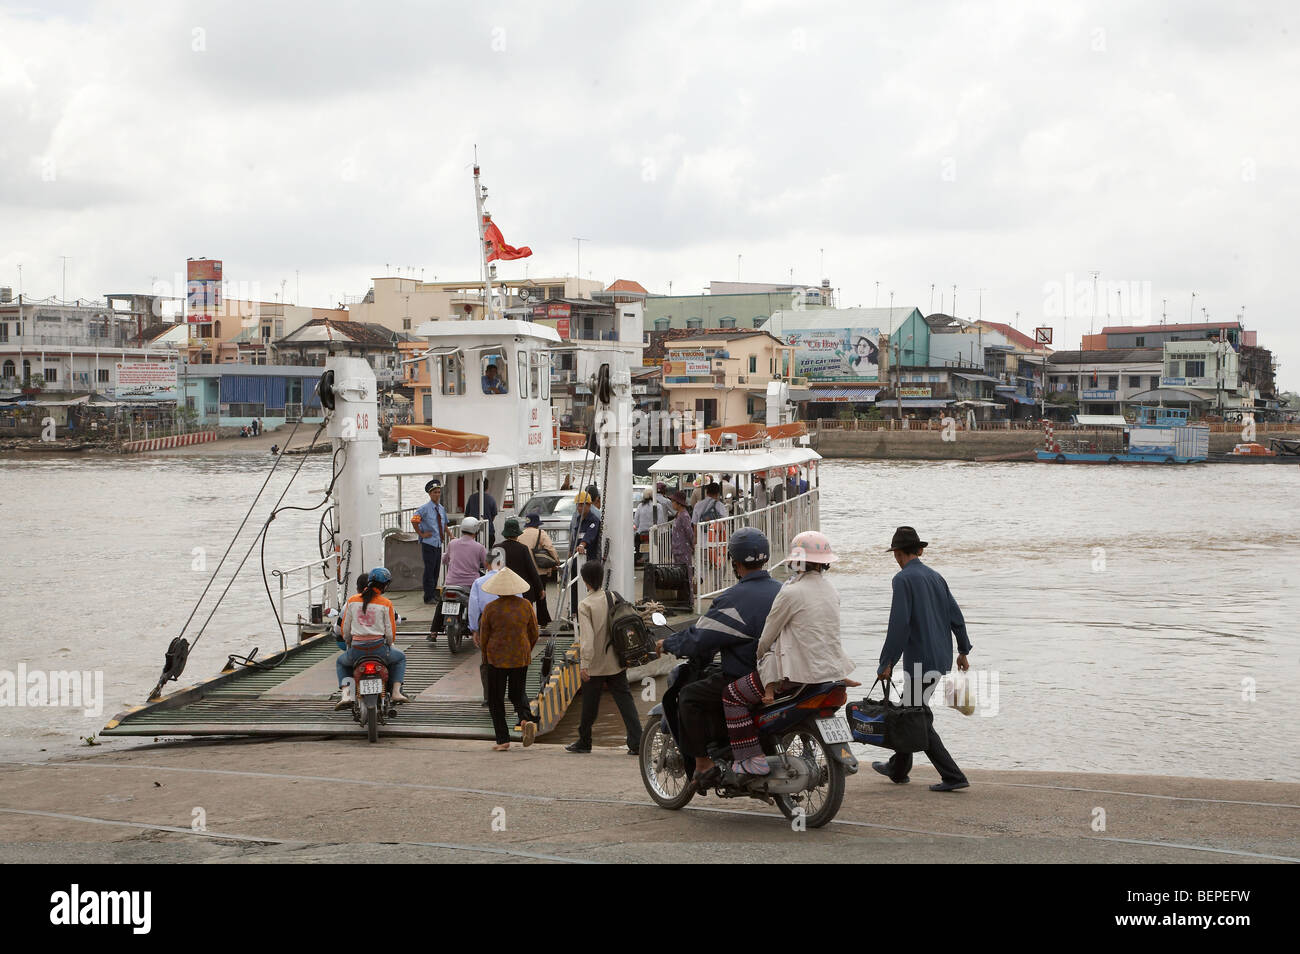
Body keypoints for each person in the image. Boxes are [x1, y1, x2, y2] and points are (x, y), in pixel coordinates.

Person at [721, 531, 857, 775]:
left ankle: (749, 759)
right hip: (829, 670)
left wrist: (759, 656)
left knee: (732, 695)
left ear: (796, 560)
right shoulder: (831, 590)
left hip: (793, 676)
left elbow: (768, 635)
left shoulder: (791, 592)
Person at [657, 528, 781, 786]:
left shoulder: (732, 599)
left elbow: (700, 638)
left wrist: (668, 643)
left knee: (689, 696)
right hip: (783, 676)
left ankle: (703, 765)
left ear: (734, 563)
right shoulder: (783, 591)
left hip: (746, 677)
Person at [874, 526, 973, 792]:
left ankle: (953, 776)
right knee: (911, 713)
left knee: (916, 719)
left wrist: (887, 662)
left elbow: (899, 625)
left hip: (920, 661)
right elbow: (956, 615)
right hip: (941, 657)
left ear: (896, 553)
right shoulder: (936, 576)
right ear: (919, 550)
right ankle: (897, 769)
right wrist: (963, 650)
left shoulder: (902, 579)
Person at [565, 560, 643, 755]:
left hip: (596, 664)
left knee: (590, 705)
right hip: (617, 660)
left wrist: (585, 664)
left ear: (585, 581)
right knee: (625, 702)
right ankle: (637, 742)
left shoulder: (585, 605)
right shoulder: (614, 596)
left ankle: (585, 741)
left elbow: (588, 638)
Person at [476, 567, 540, 750]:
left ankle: (503, 739)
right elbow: (534, 633)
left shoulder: (490, 608)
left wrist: (485, 658)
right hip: (520, 657)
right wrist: (526, 649)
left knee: (496, 699)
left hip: (496, 658)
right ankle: (525, 719)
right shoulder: (526, 605)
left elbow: (484, 637)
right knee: (517, 693)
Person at [334, 568, 409, 708]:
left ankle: (346, 696)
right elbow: (390, 633)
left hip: (357, 651)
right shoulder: (386, 603)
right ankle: (396, 692)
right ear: (385, 585)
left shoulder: (352, 601)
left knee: (341, 662)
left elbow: (345, 630)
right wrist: (388, 644)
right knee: (400, 658)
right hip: (379, 649)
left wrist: (349, 643)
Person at [496, 516, 551, 627]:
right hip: (523, 590)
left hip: (502, 589)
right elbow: (532, 570)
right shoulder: (523, 548)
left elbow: (491, 571)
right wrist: (540, 588)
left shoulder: (497, 548)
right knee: (524, 620)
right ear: (517, 534)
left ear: (505, 534)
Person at [411, 479, 447, 605]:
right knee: (429, 570)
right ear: (430, 494)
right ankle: (428, 596)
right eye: (435, 492)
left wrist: (450, 535)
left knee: (436, 569)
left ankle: (433, 593)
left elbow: (444, 523)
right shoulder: (424, 509)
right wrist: (421, 534)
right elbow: (414, 520)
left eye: (439, 492)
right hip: (429, 543)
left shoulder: (441, 508)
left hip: (438, 543)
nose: (437, 494)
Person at [567, 491, 602, 615]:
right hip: (577, 559)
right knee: (575, 585)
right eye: (578, 505)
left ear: (589, 505)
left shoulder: (594, 520)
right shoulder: (577, 519)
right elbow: (574, 537)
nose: (580, 508)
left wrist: (582, 545)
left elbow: (589, 536)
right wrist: (571, 550)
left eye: (583, 505)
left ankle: (589, 611)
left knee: (589, 586)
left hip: (589, 559)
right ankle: (574, 611)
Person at [518, 512, 560, 579]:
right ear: (537, 524)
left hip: (525, 570)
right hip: (539, 570)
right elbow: (549, 548)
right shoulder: (541, 533)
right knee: (541, 588)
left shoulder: (520, 535)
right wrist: (556, 560)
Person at [465, 484, 499, 551]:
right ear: (487, 487)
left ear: (477, 487)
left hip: (473, 531)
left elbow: (467, 514)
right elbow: (494, 514)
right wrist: (489, 521)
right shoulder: (491, 499)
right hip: (489, 531)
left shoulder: (471, 498)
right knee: (487, 552)